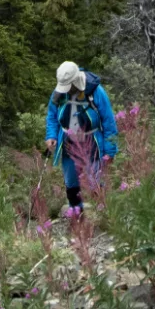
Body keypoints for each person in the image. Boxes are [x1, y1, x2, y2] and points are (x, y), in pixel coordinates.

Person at [43, 60, 119, 212]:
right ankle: (76, 213)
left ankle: (103, 213)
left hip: (92, 140)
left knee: (96, 179)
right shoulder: (59, 93)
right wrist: (51, 136)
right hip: (68, 141)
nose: (66, 90)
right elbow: (52, 115)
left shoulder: (96, 92)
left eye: (68, 86)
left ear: (75, 81)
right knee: (71, 180)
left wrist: (110, 151)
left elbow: (109, 122)